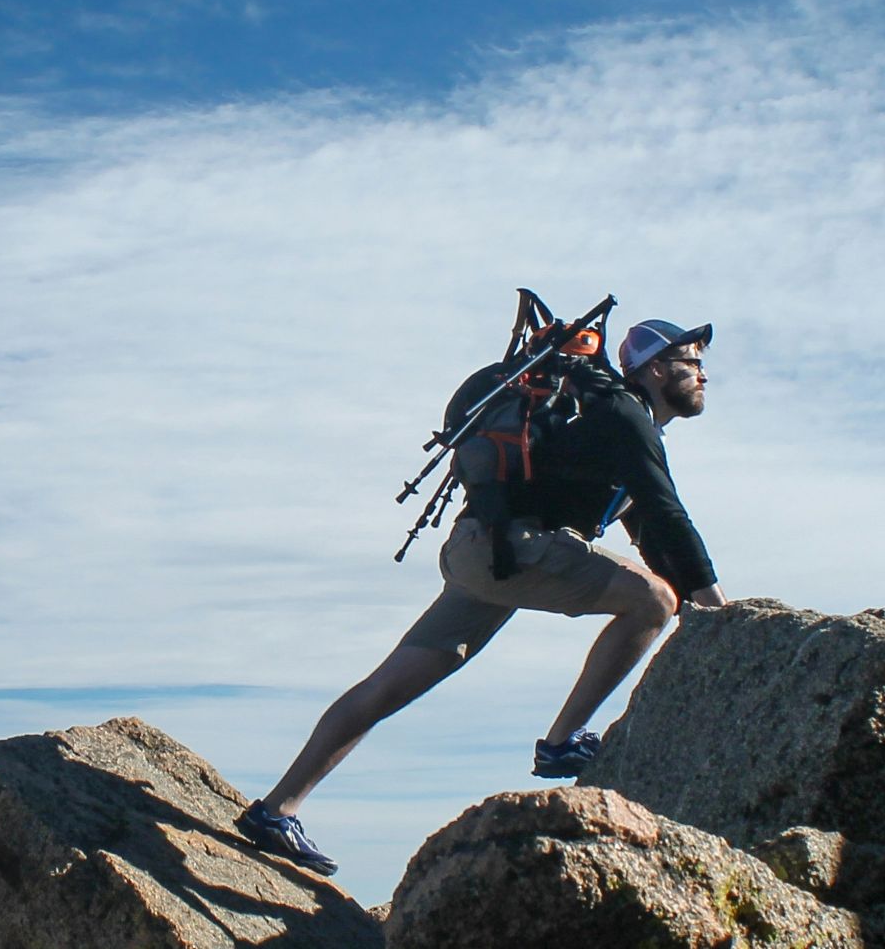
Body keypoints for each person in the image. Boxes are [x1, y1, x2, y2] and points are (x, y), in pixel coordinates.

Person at [236, 317, 727, 876]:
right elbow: (668, 513)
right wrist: (721, 613)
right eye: (693, 362)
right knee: (653, 600)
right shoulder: (623, 415)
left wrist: (700, 603)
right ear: (656, 368)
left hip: (483, 550)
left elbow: (653, 532)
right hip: (510, 548)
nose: (703, 374)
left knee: (388, 685)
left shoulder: (615, 419)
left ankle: (276, 810)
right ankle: (562, 742)